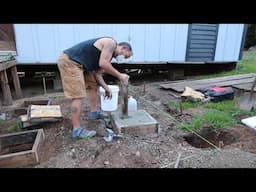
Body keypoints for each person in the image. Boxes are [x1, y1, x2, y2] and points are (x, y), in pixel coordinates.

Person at [57, 37, 133, 139]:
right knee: (78, 95)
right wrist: (120, 75)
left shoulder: (108, 56)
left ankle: (94, 113)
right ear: (124, 48)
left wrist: (106, 88)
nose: (123, 58)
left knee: (92, 85)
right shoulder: (111, 43)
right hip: (70, 61)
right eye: (125, 56)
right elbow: (103, 63)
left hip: (83, 65)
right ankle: (77, 130)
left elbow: (98, 74)